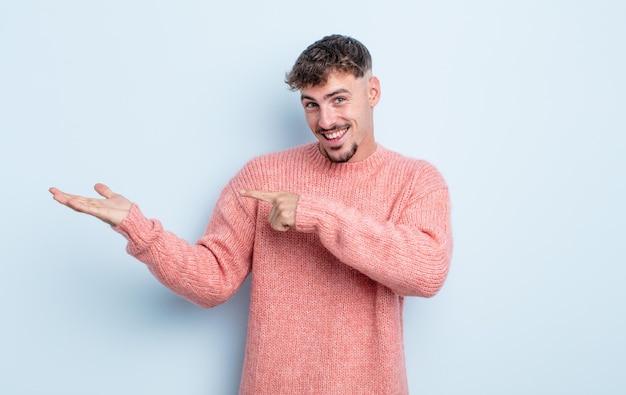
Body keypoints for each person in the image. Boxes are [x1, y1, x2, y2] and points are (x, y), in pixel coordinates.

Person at [49, 34, 453, 394]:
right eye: (311, 104)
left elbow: (428, 271)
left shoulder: (416, 180)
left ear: (373, 92)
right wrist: (138, 229)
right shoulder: (263, 175)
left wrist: (315, 214)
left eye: (339, 99)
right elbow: (213, 281)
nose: (325, 121)